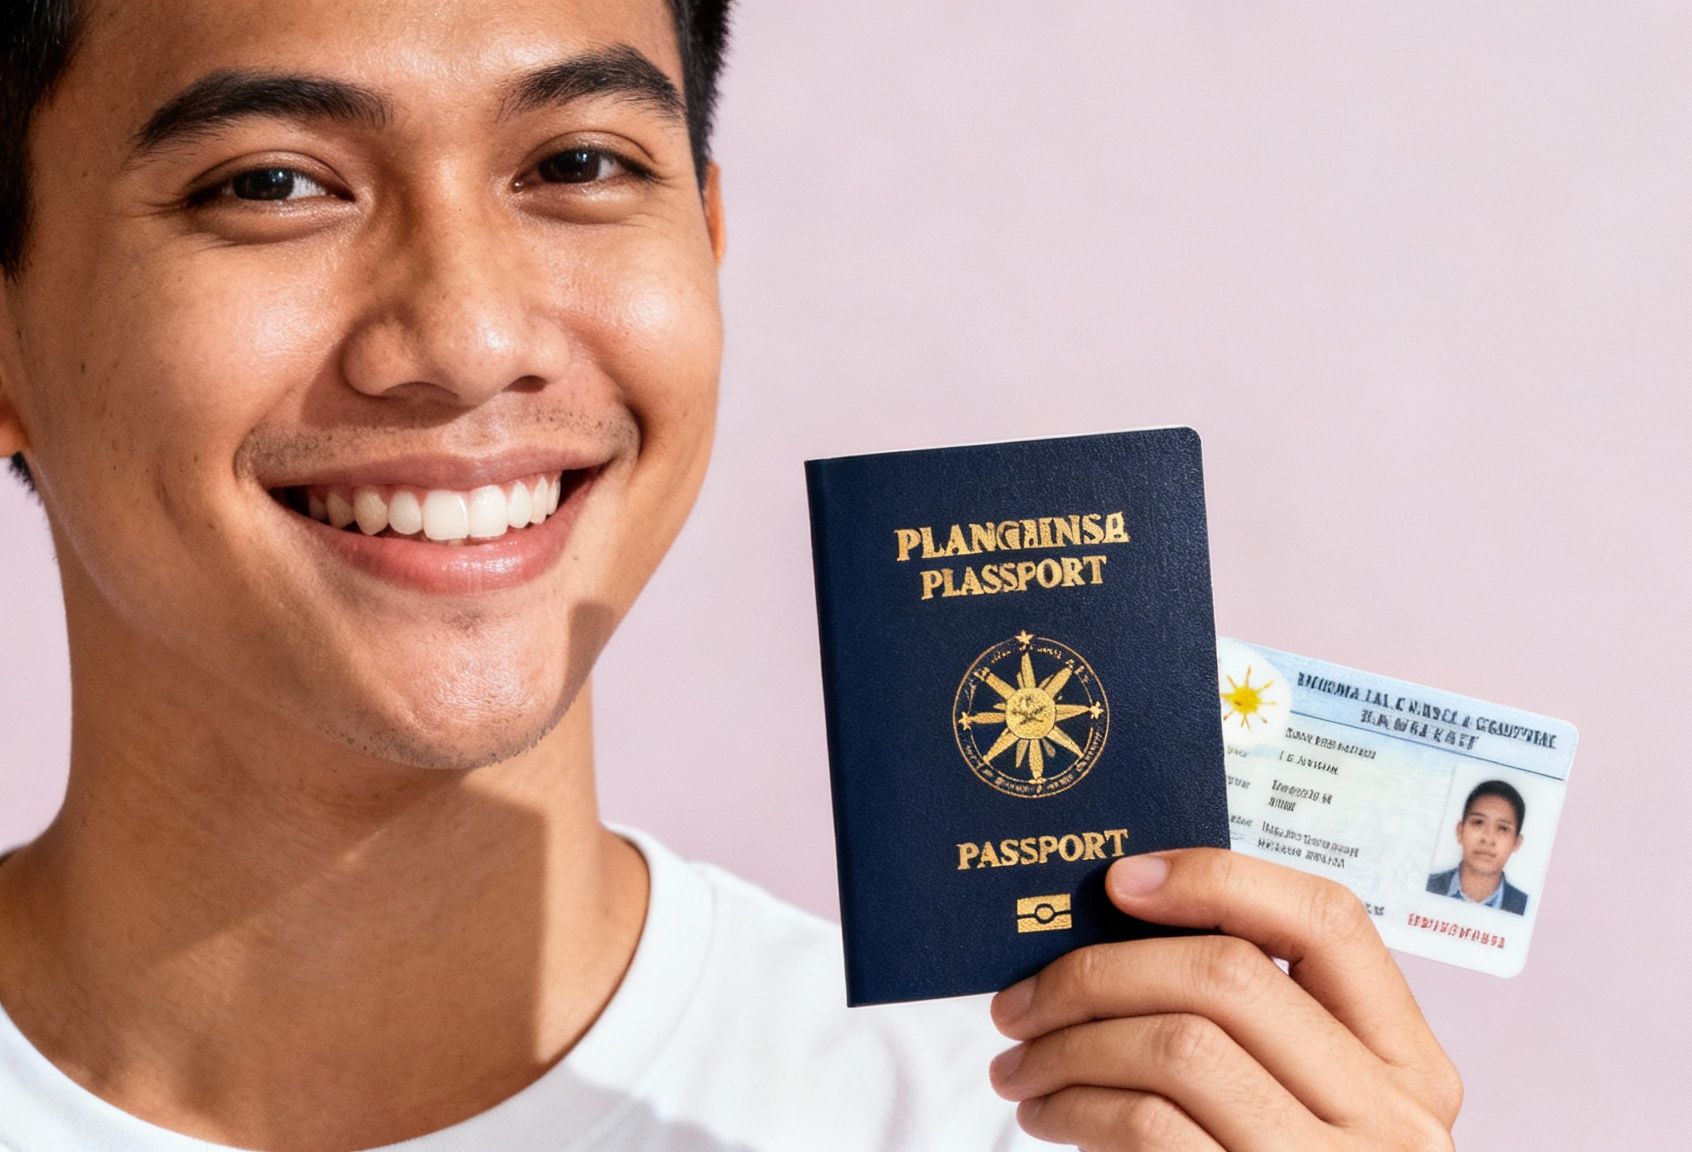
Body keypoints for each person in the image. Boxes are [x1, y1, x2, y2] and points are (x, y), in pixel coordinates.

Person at [0, 1, 1462, 1148]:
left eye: (577, 165)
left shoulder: (1043, 1128)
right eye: (272, 183)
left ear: (706, 239)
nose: (465, 335)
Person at [1427, 781, 1530, 916]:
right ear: (1460, 831)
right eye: (1478, 822)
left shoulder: (1526, 909)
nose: (1487, 839)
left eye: (1503, 828)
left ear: (1516, 843)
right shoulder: (1426, 887)